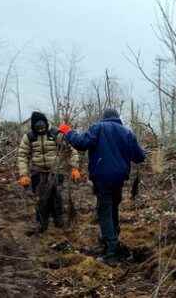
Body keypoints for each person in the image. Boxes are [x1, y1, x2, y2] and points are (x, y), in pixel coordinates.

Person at [58, 109, 146, 264]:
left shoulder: (98, 127)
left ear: (104, 118)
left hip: (102, 176)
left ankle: (111, 251)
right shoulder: (127, 132)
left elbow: (81, 143)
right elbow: (139, 157)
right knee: (113, 208)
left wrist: (68, 132)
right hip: (119, 177)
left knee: (104, 210)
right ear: (117, 118)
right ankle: (113, 240)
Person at [17, 111, 81, 233]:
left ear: (46, 124)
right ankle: (42, 223)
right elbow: (22, 155)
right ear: (34, 127)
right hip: (38, 170)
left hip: (56, 170)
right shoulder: (29, 137)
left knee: (56, 196)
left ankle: (59, 221)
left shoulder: (56, 133)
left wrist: (74, 167)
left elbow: (71, 149)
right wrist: (24, 174)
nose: (41, 130)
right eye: (38, 128)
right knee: (41, 198)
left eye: (43, 127)